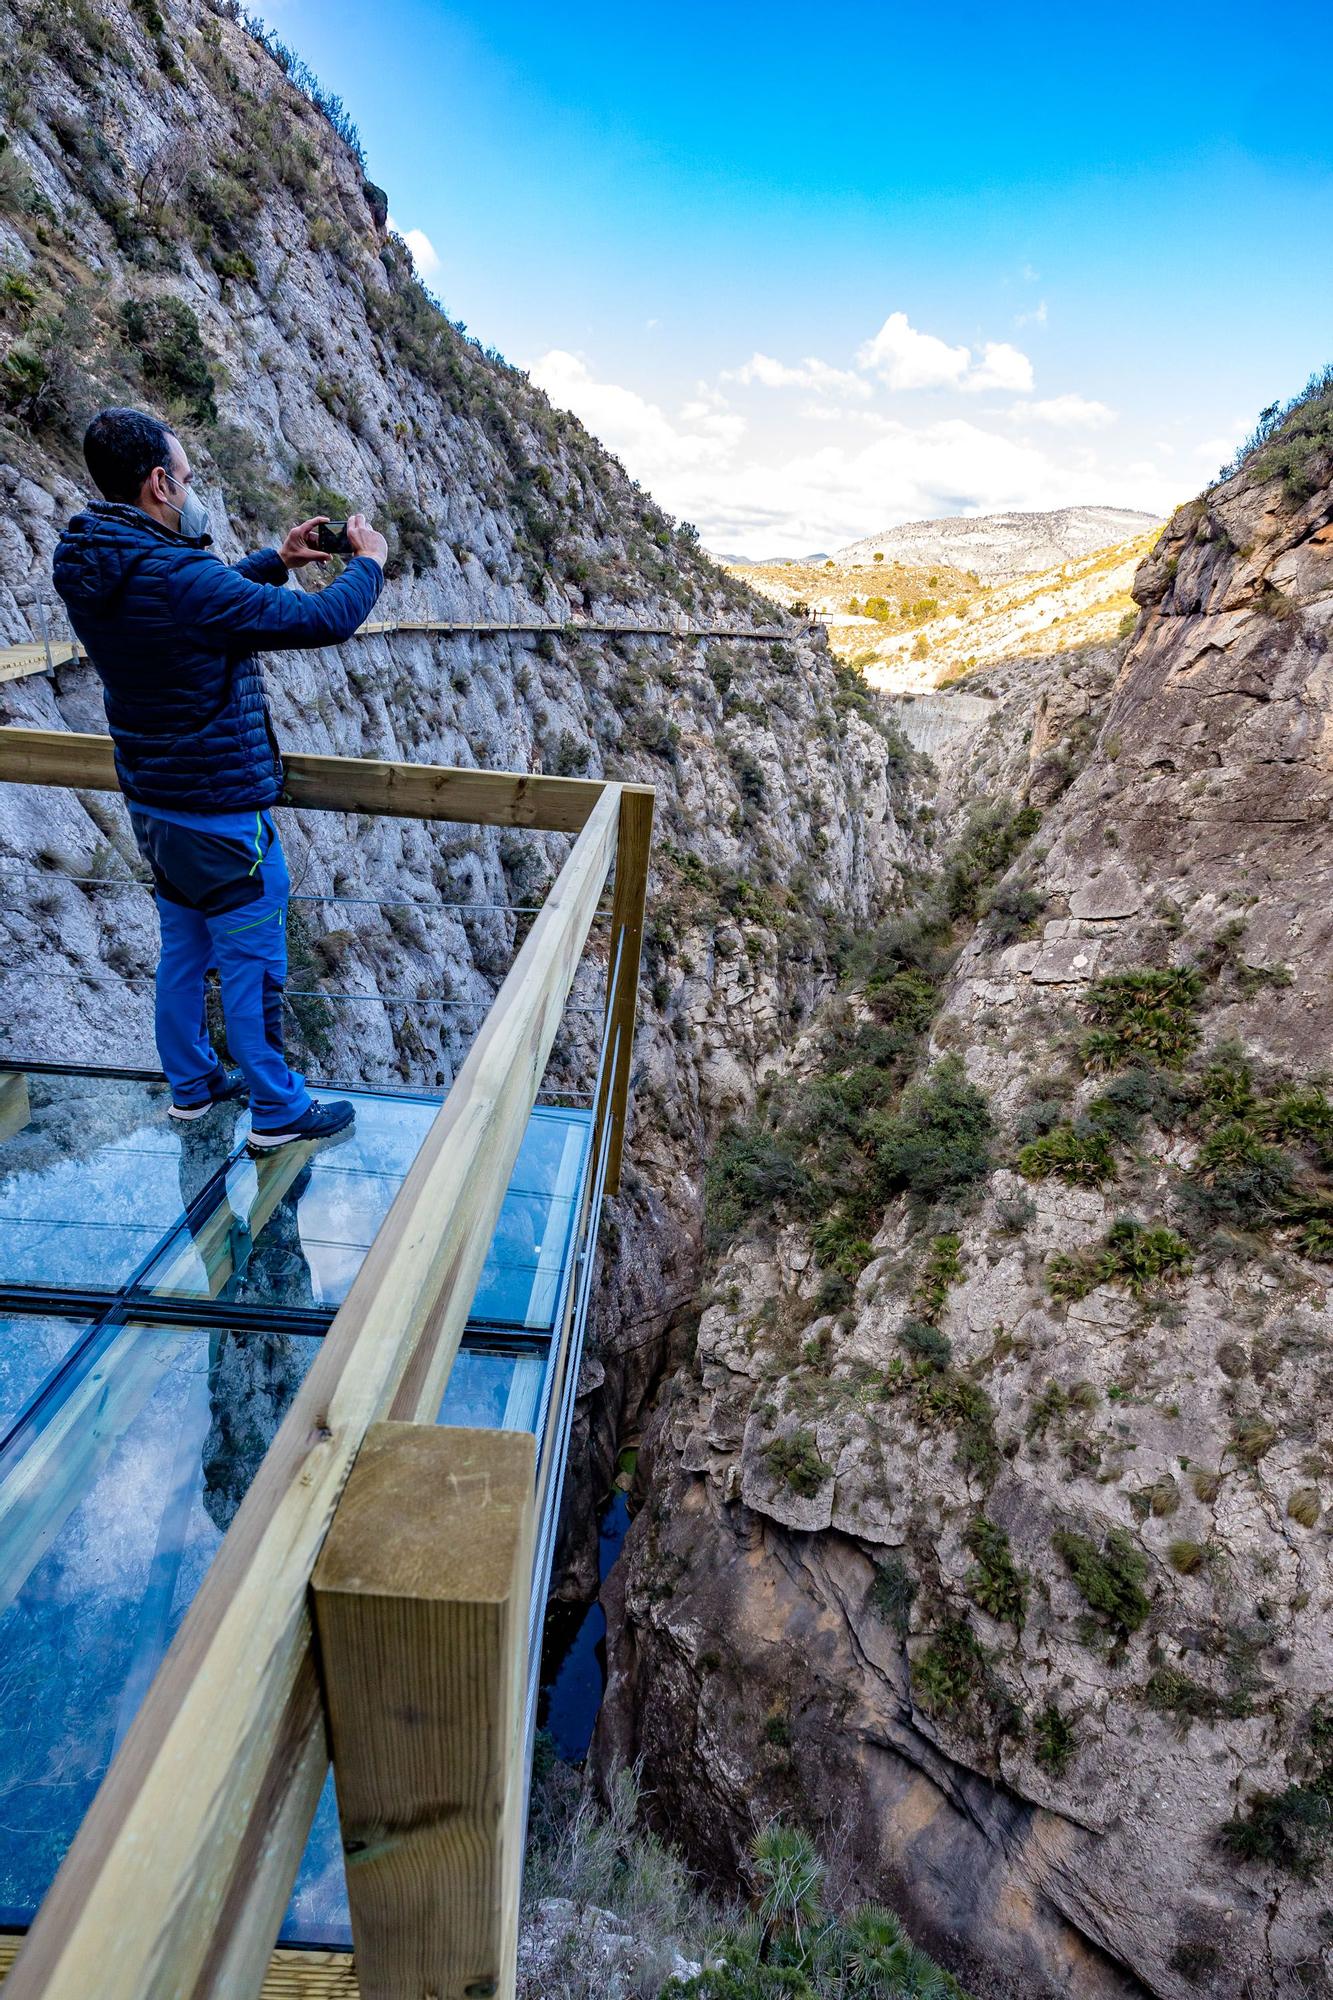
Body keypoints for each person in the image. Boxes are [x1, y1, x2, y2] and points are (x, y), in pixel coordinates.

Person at [52, 406, 388, 1151]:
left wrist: (276, 560)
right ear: (161, 484)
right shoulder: (178, 574)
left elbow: (189, 608)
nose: (195, 492)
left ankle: (193, 1087)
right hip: (220, 812)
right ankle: (276, 1110)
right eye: (190, 478)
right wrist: (368, 561)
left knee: (182, 951)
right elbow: (322, 621)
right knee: (253, 962)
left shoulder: (97, 563)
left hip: (156, 805)